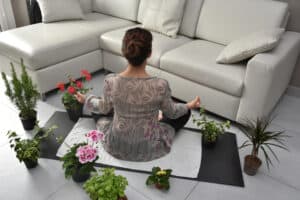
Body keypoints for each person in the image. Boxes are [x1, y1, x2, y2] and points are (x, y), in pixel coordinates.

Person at [75, 28, 200, 161]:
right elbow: (173, 112)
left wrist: (86, 99)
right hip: (149, 145)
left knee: (98, 103)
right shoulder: (160, 85)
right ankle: (157, 116)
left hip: (118, 144)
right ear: (150, 53)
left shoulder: (111, 81)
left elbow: (103, 108)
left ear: (124, 52)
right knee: (184, 112)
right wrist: (189, 105)